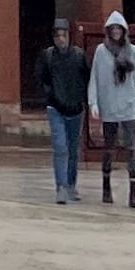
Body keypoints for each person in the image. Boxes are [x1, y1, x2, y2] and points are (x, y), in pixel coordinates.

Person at [89, 10, 135, 207]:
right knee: (109, 147)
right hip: (109, 107)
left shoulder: (133, 52)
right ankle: (106, 185)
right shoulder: (100, 51)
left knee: (131, 148)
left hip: (130, 106)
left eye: (118, 29)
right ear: (108, 31)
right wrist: (93, 103)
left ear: (124, 31)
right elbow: (94, 79)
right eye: (112, 29)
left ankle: (134, 192)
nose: (115, 32)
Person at [36, 17, 93, 203]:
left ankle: (71, 184)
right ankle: (60, 186)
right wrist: (50, 94)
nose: (60, 39)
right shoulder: (48, 56)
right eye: (57, 35)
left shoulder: (78, 56)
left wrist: (84, 100)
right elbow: (40, 78)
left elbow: (87, 78)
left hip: (75, 108)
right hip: (55, 107)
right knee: (60, 147)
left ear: (69, 36)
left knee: (73, 149)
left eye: (64, 35)